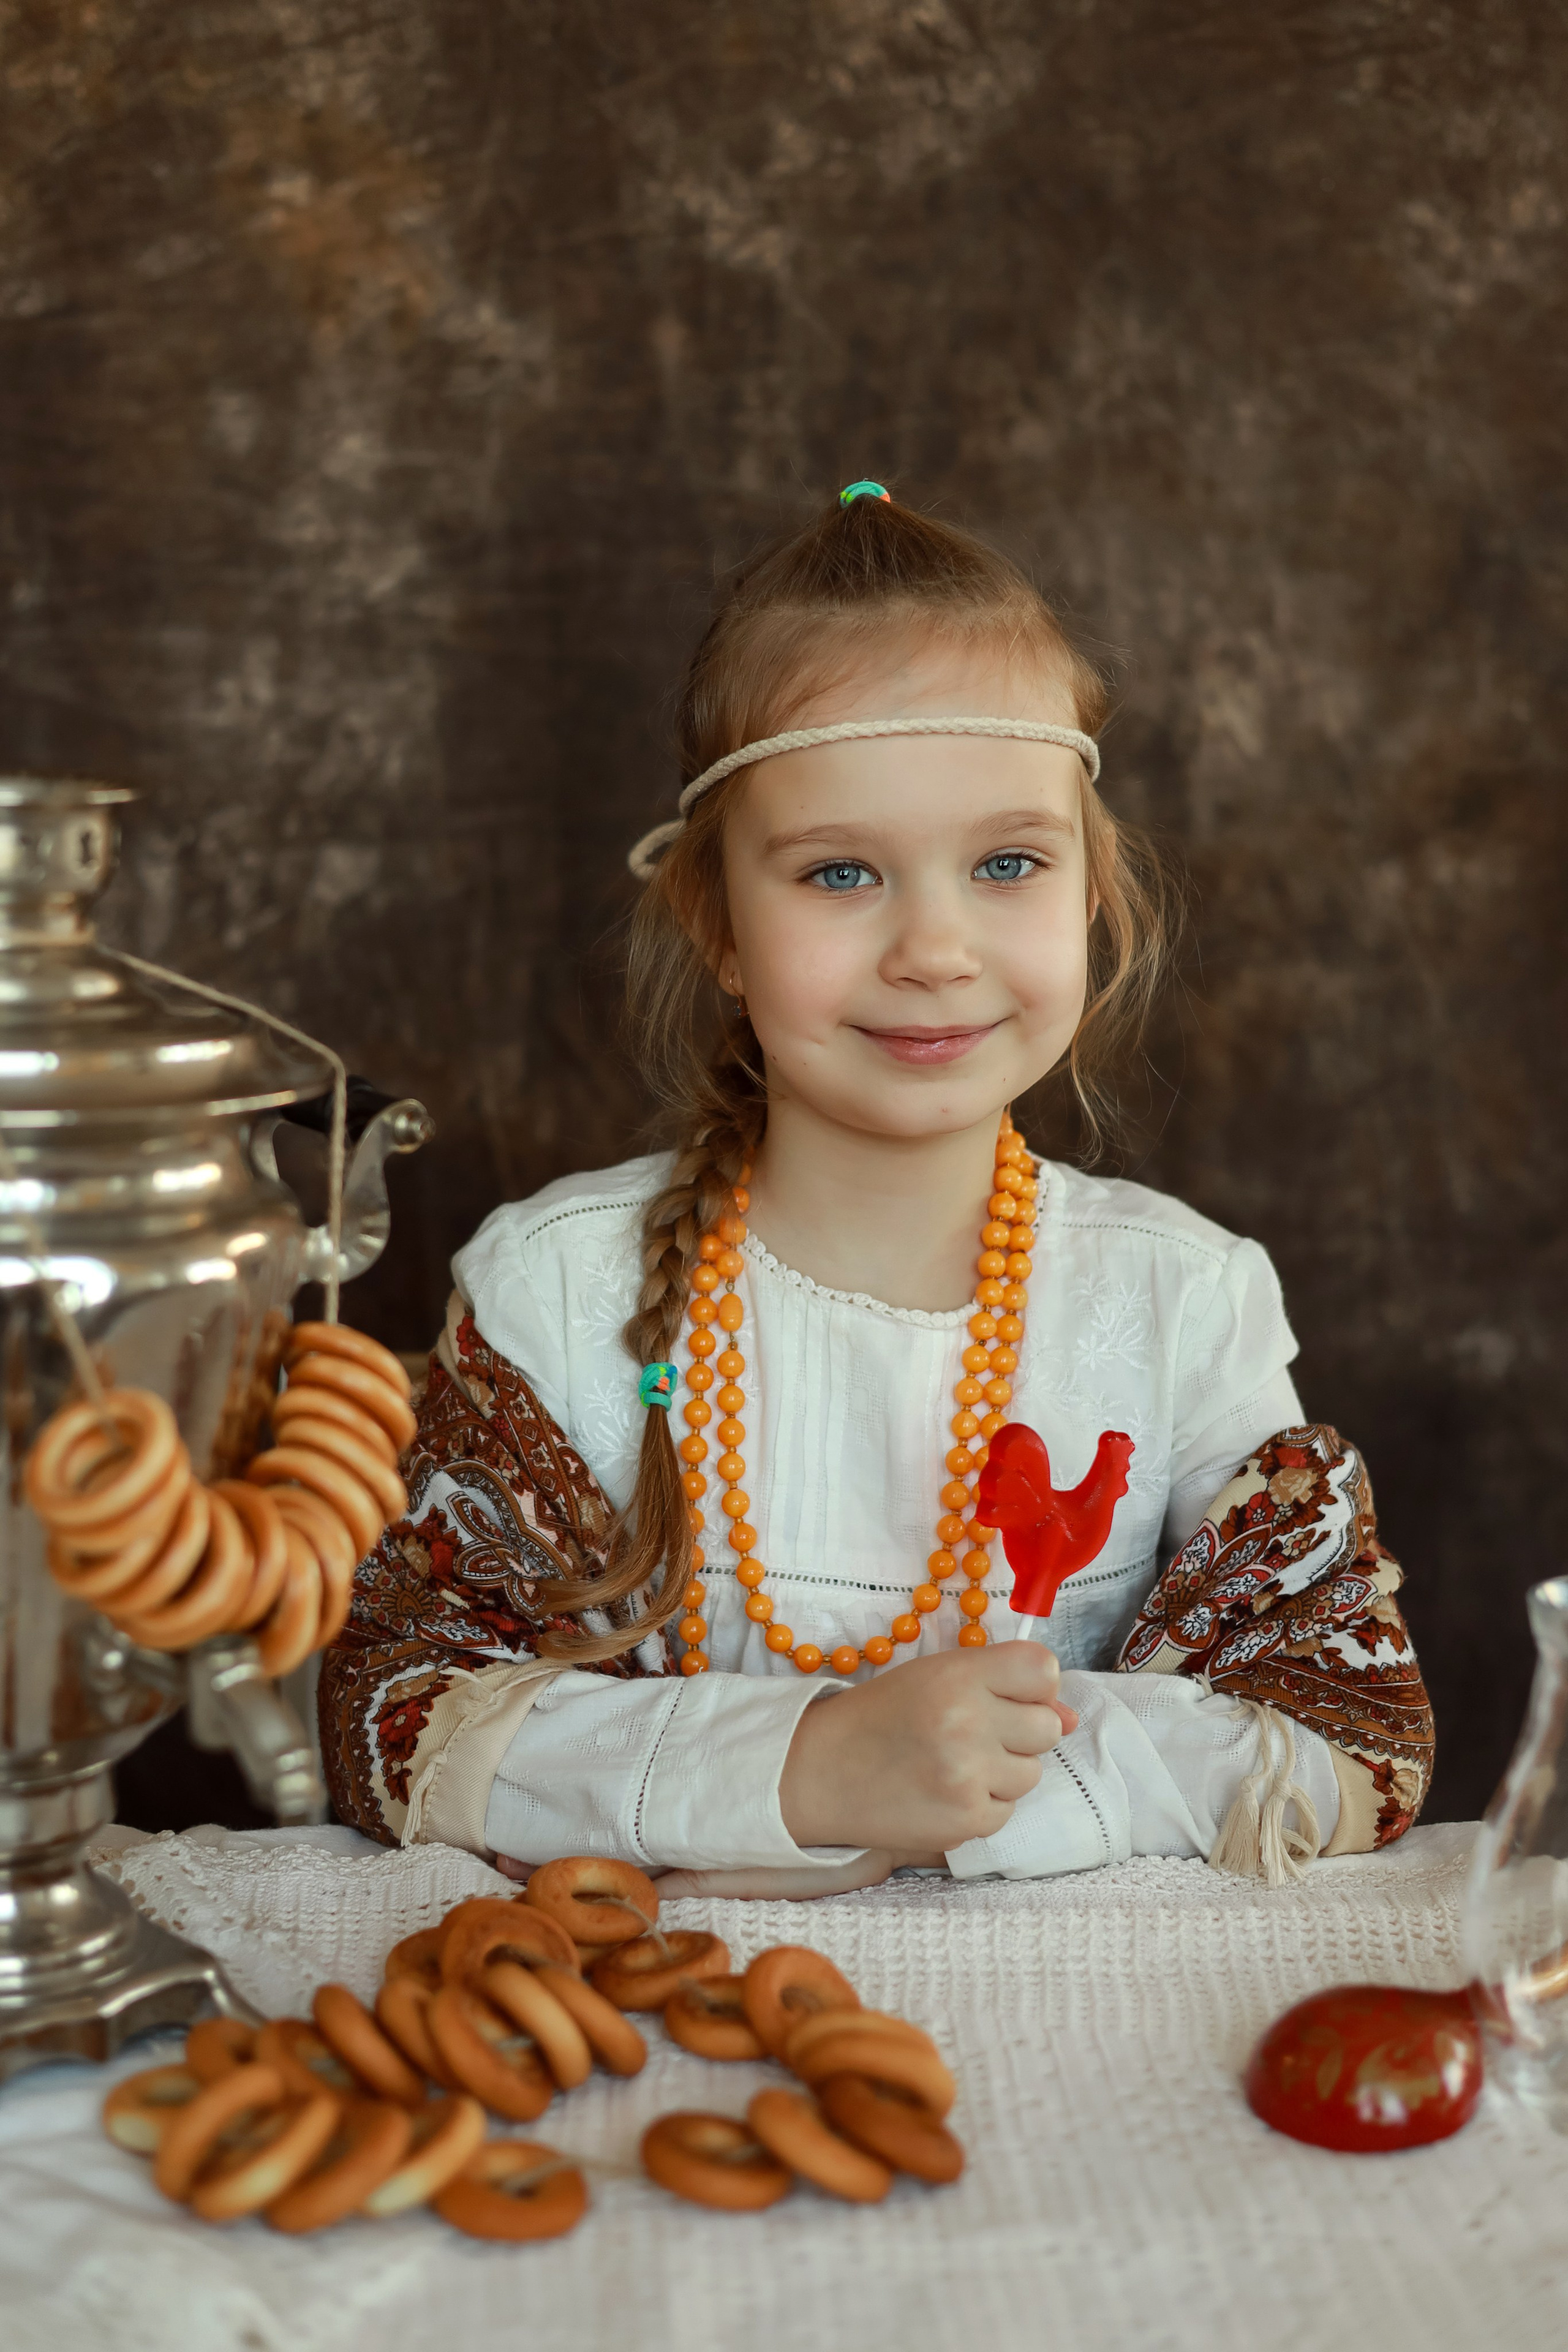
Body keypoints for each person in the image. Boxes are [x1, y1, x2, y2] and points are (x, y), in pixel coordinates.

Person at [319, 484, 1433, 1898]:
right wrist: (802, 1764)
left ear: (1090, 891)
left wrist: (996, 1781)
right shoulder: (555, 1290)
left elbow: (1345, 1741)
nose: (934, 946)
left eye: (1007, 863)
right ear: (719, 927)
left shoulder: (1181, 1303)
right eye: (840, 872)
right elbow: (401, 1722)